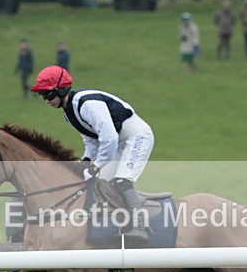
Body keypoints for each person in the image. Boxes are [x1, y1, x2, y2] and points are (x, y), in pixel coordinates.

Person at [30, 65, 155, 243]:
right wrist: (86, 161)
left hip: (136, 137)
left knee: (122, 179)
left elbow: (109, 138)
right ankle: (113, 222)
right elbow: (91, 140)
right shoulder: (68, 114)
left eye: (48, 95)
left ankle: (139, 226)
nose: (46, 100)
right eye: (43, 96)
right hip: (117, 143)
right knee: (99, 183)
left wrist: (96, 165)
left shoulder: (87, 104)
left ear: (61, 89)